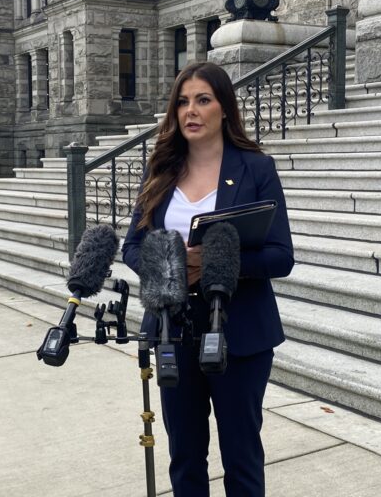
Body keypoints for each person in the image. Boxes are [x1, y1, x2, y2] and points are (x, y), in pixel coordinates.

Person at [121, 61, 294, 497]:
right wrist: (175, 266)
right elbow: (133, 247)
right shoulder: (160, 170)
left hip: (240, 332)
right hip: (172, 331)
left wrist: (219, 263)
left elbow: (280, 256)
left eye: (202, 100)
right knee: (185, 458)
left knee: (242, 457)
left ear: (224, 108)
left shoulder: (256, 169)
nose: (190, 111)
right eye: (182, 102)